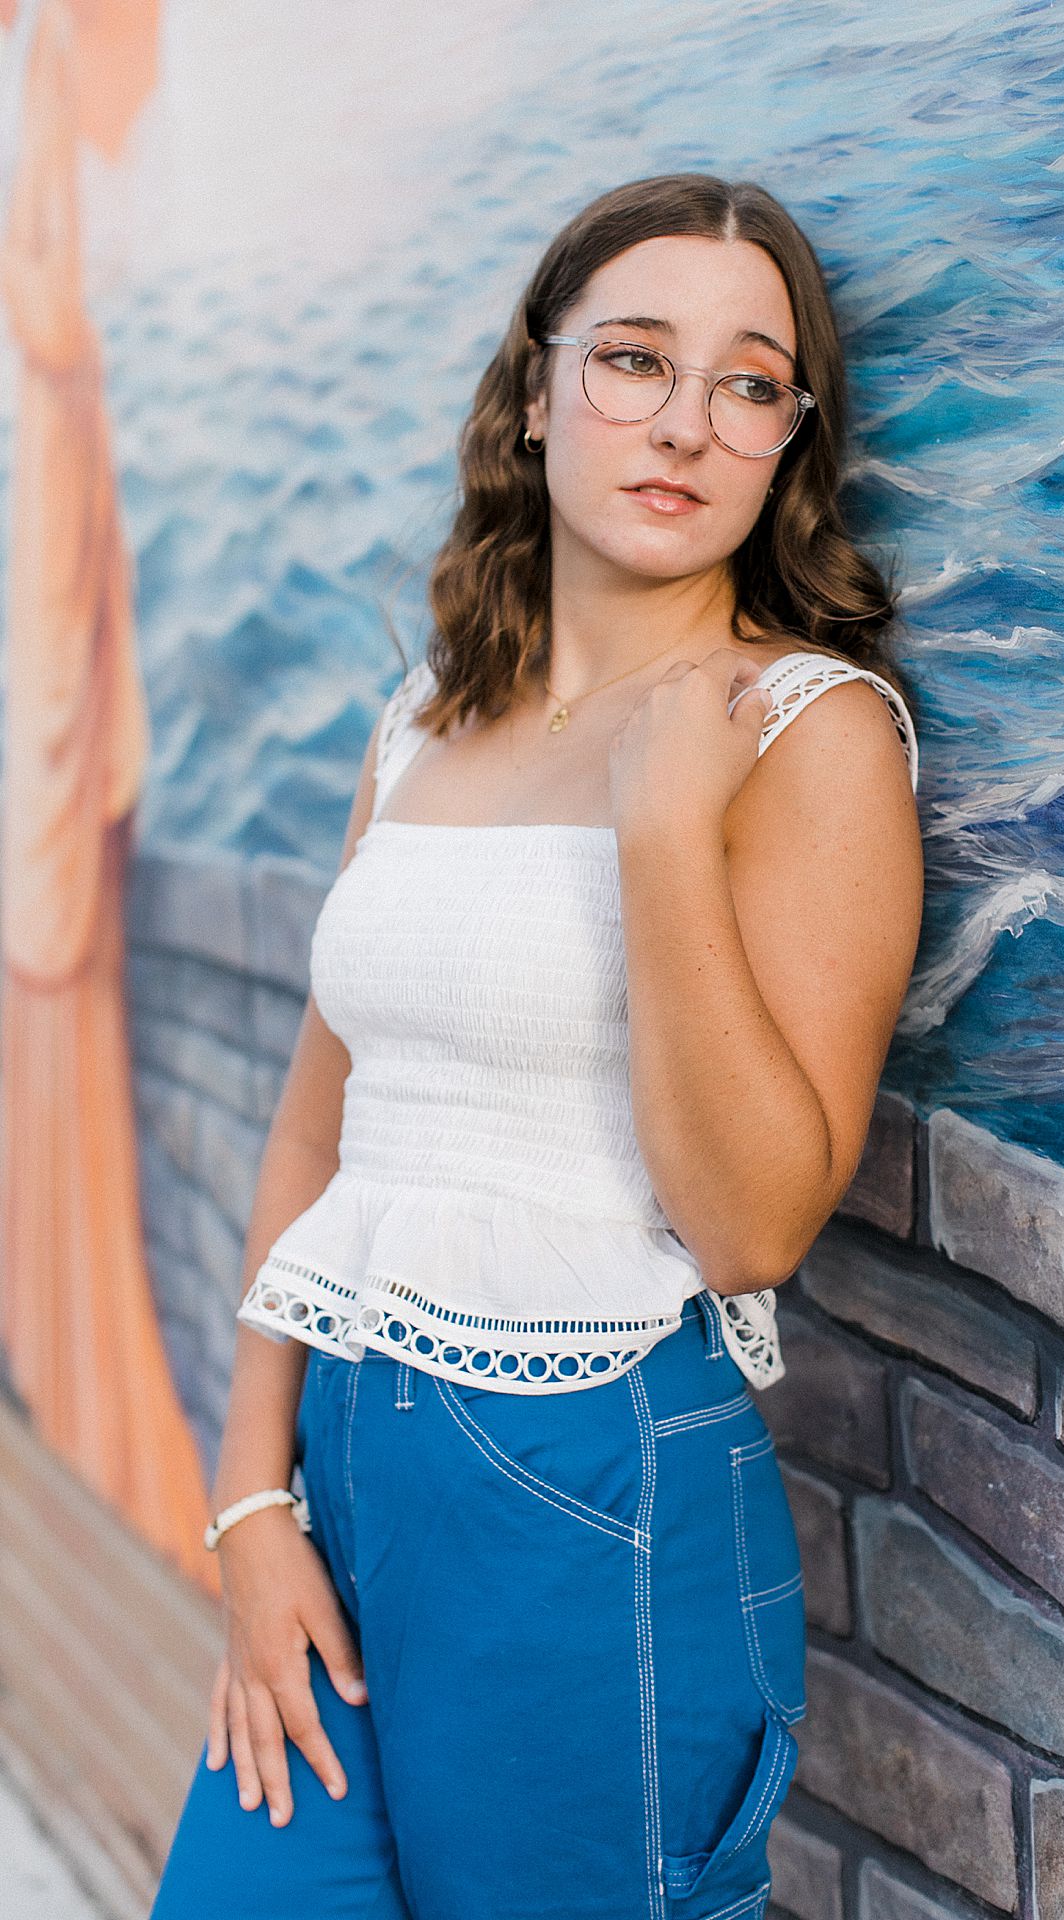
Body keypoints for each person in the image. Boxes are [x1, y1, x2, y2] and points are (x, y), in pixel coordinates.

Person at [151, 172, 923, 1920]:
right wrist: (247, 1509)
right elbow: (312, 1138)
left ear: (790, 440)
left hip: (598, 1493)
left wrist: (666, 837)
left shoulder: (811, 734)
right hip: (344, 1472)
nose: (685, 423)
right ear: (534, 390)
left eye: (749, 383)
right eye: (636, 359)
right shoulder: (422, 719)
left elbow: (750, 1230)